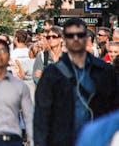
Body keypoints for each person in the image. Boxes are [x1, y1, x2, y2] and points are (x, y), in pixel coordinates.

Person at [34, 18, 118, 146]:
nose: (75, 39)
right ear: (65, 39)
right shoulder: (52, 74)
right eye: (70, 35)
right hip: (63, 139)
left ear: (86, 38)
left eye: (80, 35)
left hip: (97, 139)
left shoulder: (104, 71)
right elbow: (42, 114)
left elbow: (113, 109)